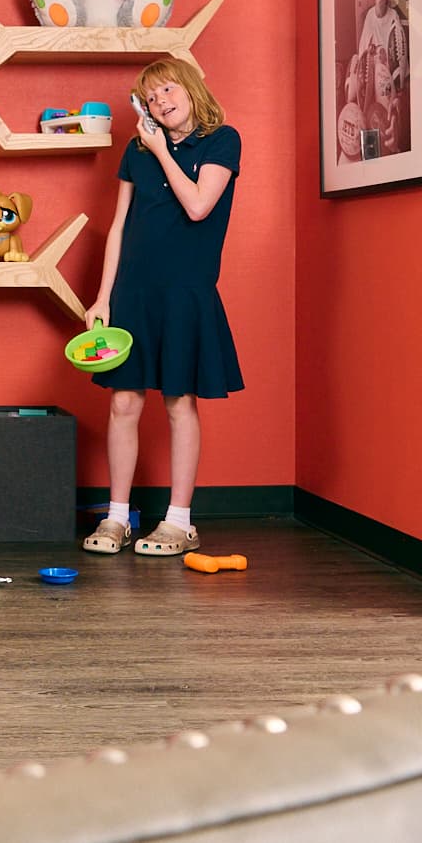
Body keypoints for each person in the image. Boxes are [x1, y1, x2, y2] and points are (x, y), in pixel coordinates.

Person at [80, 59, 244, 558]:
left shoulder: (222, 141)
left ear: (191, 88)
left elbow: (198, 206)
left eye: (167, 90)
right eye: (150, 98)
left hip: (185, 293)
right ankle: (116, 517)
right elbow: (119, 227)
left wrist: (160, 148)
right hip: (132, 293)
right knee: (123, 402)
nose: (160, 103)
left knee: (178, 402)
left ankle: (178, 522)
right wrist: (103, 296)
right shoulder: (135, 152)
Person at [341, 0, 409, 162]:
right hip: (367, 120)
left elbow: (404, 82)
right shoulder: (367, 17)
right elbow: (359, 71)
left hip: (386, 119)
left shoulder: (399, 18)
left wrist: (398, 108)